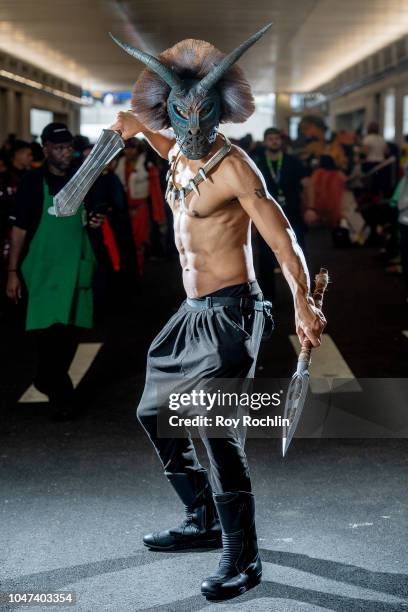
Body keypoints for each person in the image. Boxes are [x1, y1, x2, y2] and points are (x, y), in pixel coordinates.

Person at [110, 25, 326, 601]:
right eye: (182, 119)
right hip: (191, 313)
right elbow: (164, 147)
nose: (194, 128)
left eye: (205, 118)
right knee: (153, 411)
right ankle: (203, 517)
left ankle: (243, 558)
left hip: (234, 313)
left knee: (214, 429)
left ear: (219, 114)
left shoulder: (236, 168)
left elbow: (284, 242)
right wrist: (134, 131)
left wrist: (302, 299)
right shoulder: (179, 150)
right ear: (172, 116)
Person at [6, 122, 105, 420]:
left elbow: (91, 215)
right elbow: (19, 230)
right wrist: (12, 271)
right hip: (44, 272)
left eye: (69, 147)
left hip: (76, 269)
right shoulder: (34, 182)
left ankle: (47, 381)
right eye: (59, 148)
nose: (65, 153)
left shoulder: (82, 178)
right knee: (49, 337)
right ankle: (63, 396)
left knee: (71, 334)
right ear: (46, 148)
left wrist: (94, 221)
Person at [251, 127, 308, 298]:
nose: (274, 141)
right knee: (266, 257)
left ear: (281, 141)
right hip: (266, 217)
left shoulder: (293, 161)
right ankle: (268, 297)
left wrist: (310, 208)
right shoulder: (257, 163)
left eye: (277, 138)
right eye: (271, 139)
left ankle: (302, 294)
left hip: (293, 215)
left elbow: (307, 184)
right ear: (265, 141)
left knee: (298, 254)